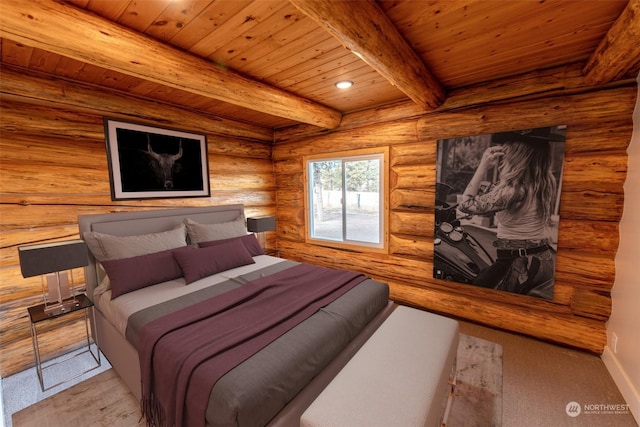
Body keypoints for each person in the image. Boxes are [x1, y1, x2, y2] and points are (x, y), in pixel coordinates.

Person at [458, 138, 557, 298]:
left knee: (473, 294)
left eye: (508, 153)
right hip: (544, 262)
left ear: (516, 158)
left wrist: (483, 166)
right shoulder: (546, 183)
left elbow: (465, 204)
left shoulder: (511, 191)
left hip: (518, 264)